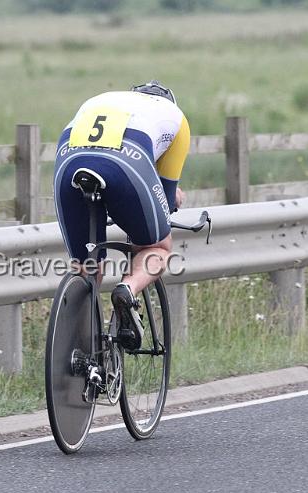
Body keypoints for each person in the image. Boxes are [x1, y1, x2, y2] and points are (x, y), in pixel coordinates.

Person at [53, 80, 190, 350]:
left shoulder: (104, 99)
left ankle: (78, 354)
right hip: (128, 161)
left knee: (86, 266)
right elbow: (166, 191)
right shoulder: (177, 119)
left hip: (69, 161)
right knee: (157, 246)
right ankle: (128, 289)